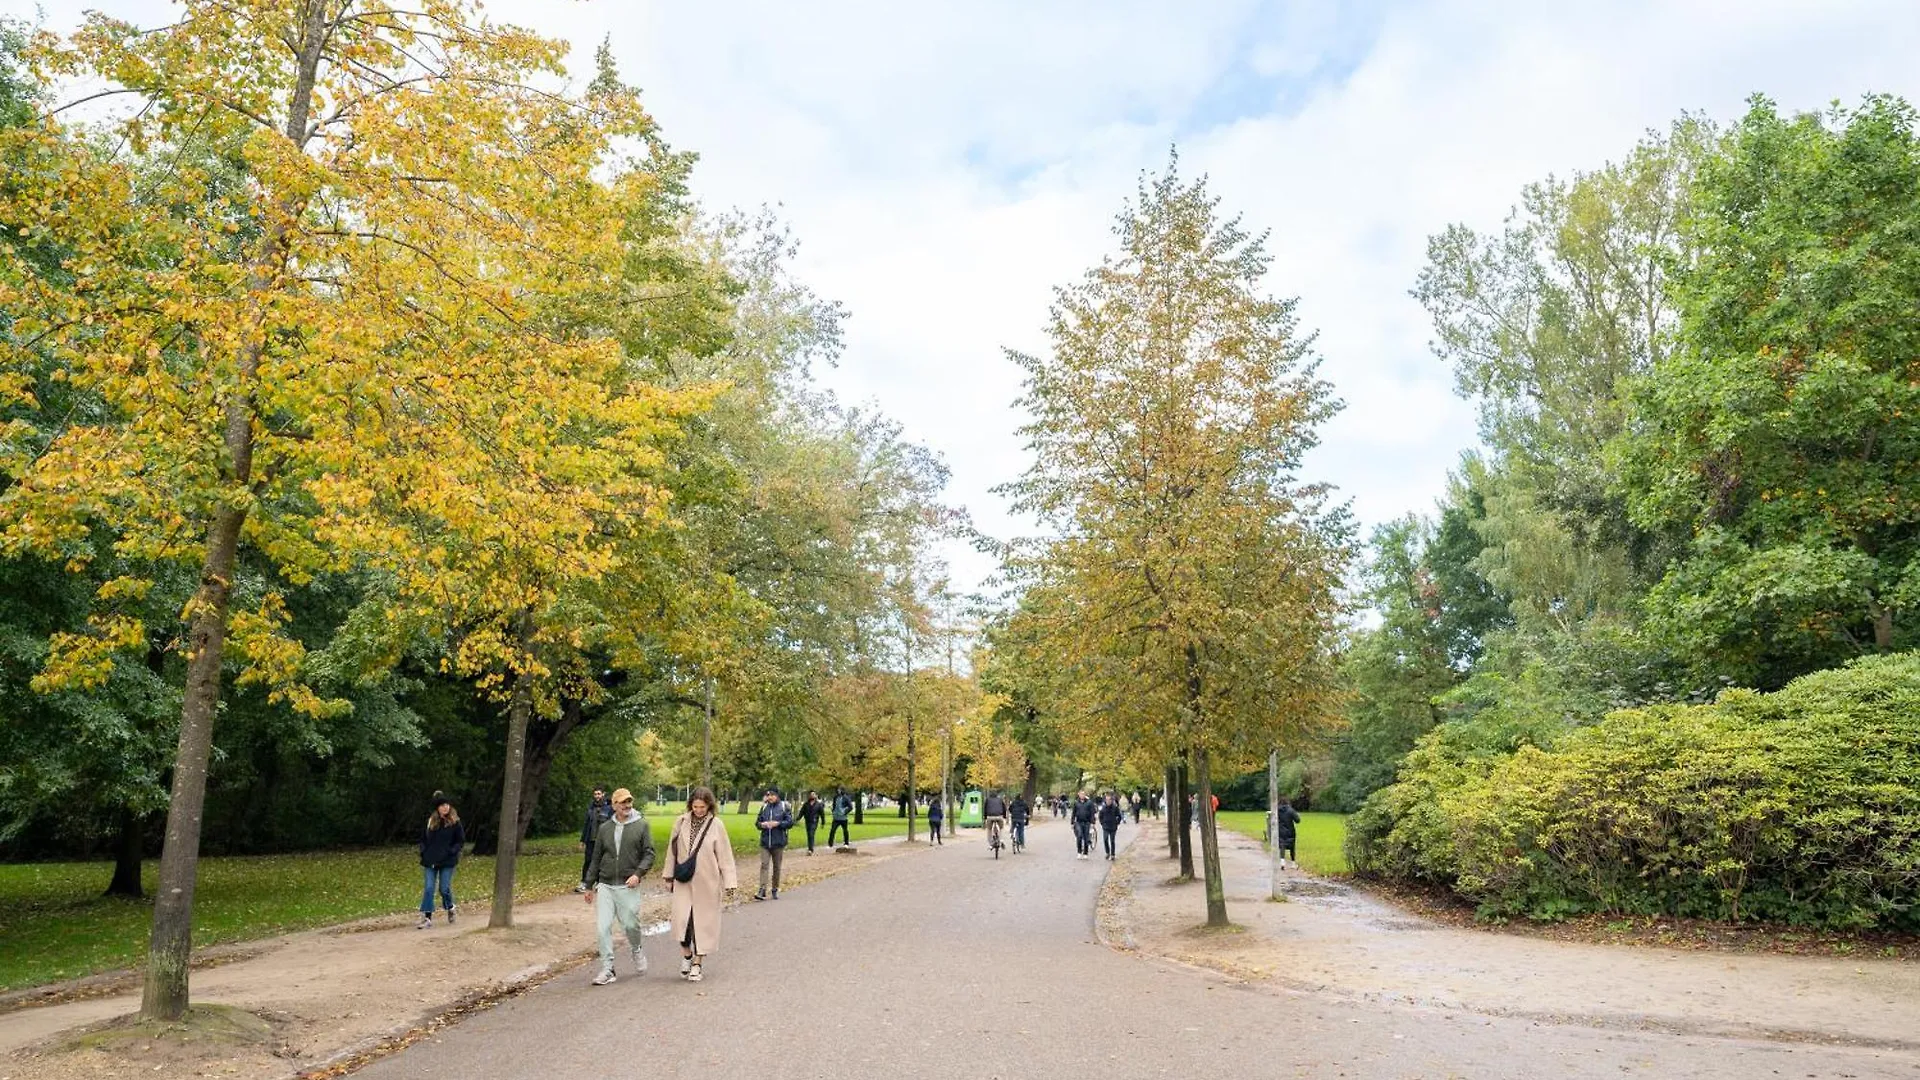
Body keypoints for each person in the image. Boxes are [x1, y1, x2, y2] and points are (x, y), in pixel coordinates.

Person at [666, 787, 738, 983]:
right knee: (683, 923)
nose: (698, 810)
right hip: (683, 881)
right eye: (695, 806)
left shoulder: (717, 825)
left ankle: (697, 963)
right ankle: (687, 956)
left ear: (709, 806)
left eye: (702, 807)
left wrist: (730, 882)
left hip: (707, 882)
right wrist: (668, 876)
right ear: (691, 805)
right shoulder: (680, 822)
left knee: (702, 925)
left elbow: (725, 856)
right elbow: (671, 851)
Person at [585, 787, 655, 985]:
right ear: (614, 805)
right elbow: (596, 857)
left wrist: (638, 874)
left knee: (631, 924)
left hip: (628, 884)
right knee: (602, 927)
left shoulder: (641, 825)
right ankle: (608, 969)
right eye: (622, 802)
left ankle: (637, 949)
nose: (627, 805)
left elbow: (649, 853)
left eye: (629, 802)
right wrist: (589, 885)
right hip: (606, 884)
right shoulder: (605, 828)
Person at [417, 793, 464, 928]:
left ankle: (450, 907)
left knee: (444, 889)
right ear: (437, 808)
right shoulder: (431, 821)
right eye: (442, 805)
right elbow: (423, 839)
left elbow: (460, 841)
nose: (445, 807)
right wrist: (423, 851)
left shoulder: (455, 822)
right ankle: (427, 917)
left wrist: (452, 851)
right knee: (429, 888)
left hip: (447, 861)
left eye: (447, 805)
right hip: (430, 859)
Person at [754, 787, 793, 900]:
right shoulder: (764, 807)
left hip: (778, 842)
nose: (770, 797)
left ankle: (775, 888)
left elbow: (790, 822)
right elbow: (757, 822)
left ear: (777, 796)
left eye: (772, 795)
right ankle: (762, 890)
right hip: (765, 842)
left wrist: (778, 824)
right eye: (768, 795)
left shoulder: (783, 807)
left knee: (777, 867)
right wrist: (762, 825)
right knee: (764, 865)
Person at [575, 786, 613, 893]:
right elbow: (587, 825)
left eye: (599, 794)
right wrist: (582, 840)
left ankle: (599, 883)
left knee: (602, 862)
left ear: (603, 794)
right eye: (595, 794)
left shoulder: (609, 808)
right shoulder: (591, 808)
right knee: (588, 861)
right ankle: (584, 883)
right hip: (591, 840)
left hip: (603, 840)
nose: (597, 796)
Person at [1274, 796, 1303, 870]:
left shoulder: (1277, 811)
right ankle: (1293, 863)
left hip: (1280, 831)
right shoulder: (1291, 810)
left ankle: (1282, 861)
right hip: (1290, 831)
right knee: (1292, 847)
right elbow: (1297, 820)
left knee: (1282, 846)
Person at [1071, 791, 1097, 859]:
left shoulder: (1089, 803)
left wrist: (1092, 823)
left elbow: (1092, 813)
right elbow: (1073, 813)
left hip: (1087, 822)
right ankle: (1079, 852)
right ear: (1079, 795)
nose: (1082, 795)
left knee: (1086, 838)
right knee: (1079, 836)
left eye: (1083, 794)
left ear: (1085, 795)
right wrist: (1072, 822)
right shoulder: (1076, 803)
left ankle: (1085, 853)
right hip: (1079, 822)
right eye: (1081, 794)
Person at [798, 790, 826, 855]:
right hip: (807, 821)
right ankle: (810, 847)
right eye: (811, 795)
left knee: (811, 833)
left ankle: (810, 849)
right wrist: (798, 818)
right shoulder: (806, 804)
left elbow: (822, 814)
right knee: (809, 835)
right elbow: (802, 812)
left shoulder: (818, 805)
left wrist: (823, 823)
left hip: (814, 822)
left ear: (815, 796)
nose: (812, 796)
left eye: (813, 794)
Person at [1098, 793, 1123, 860]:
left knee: (1112, 840)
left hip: (1113, 827)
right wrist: (1102, 823)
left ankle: (1112, 854)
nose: (1108, 801)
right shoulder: (1103, 808)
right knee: (1105, 839)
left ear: (1112, 800)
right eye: (1107, 800)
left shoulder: (1115, 808)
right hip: (1105, 826)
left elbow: (1119, 816)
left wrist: (1117, 823)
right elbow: (1100, 816)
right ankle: (1107, 852)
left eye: (1109, 800)